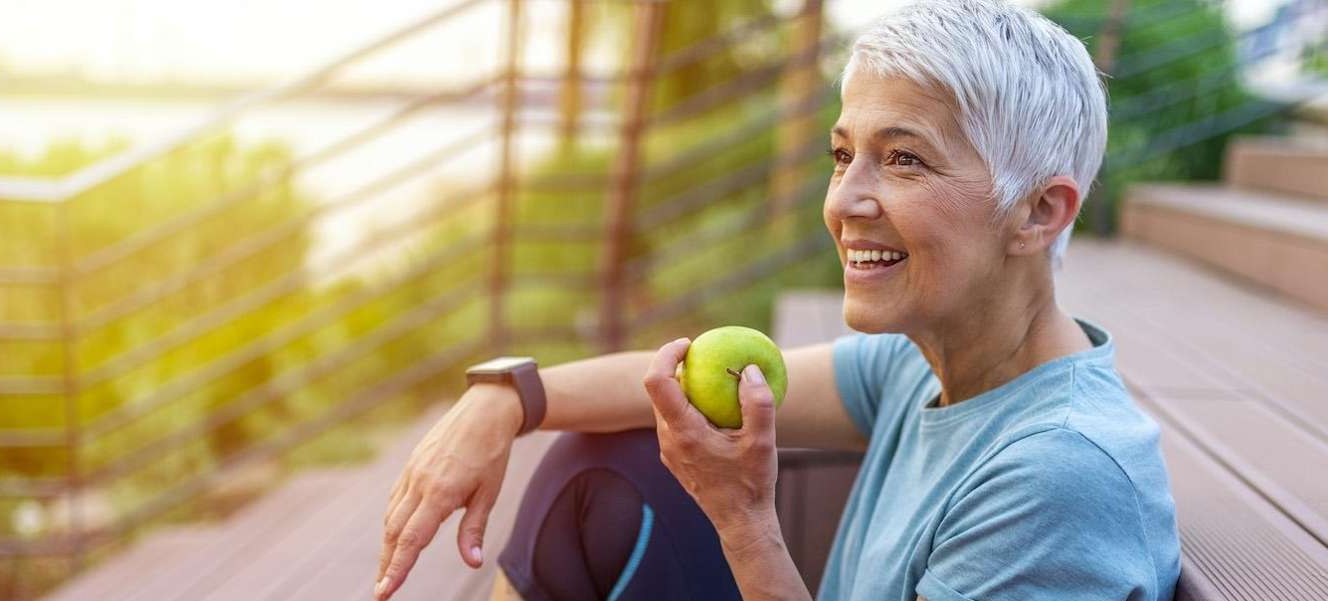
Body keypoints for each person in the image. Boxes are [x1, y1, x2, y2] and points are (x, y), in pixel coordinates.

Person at [372, 0, 1184, 599]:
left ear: (1040, 211)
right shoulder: (938, 361)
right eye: (843, 154)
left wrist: (744, 517)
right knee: (601, 463)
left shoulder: (1058, 477)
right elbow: (675, 380)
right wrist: (507, 396)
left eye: (903, 161)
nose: (843, 202)